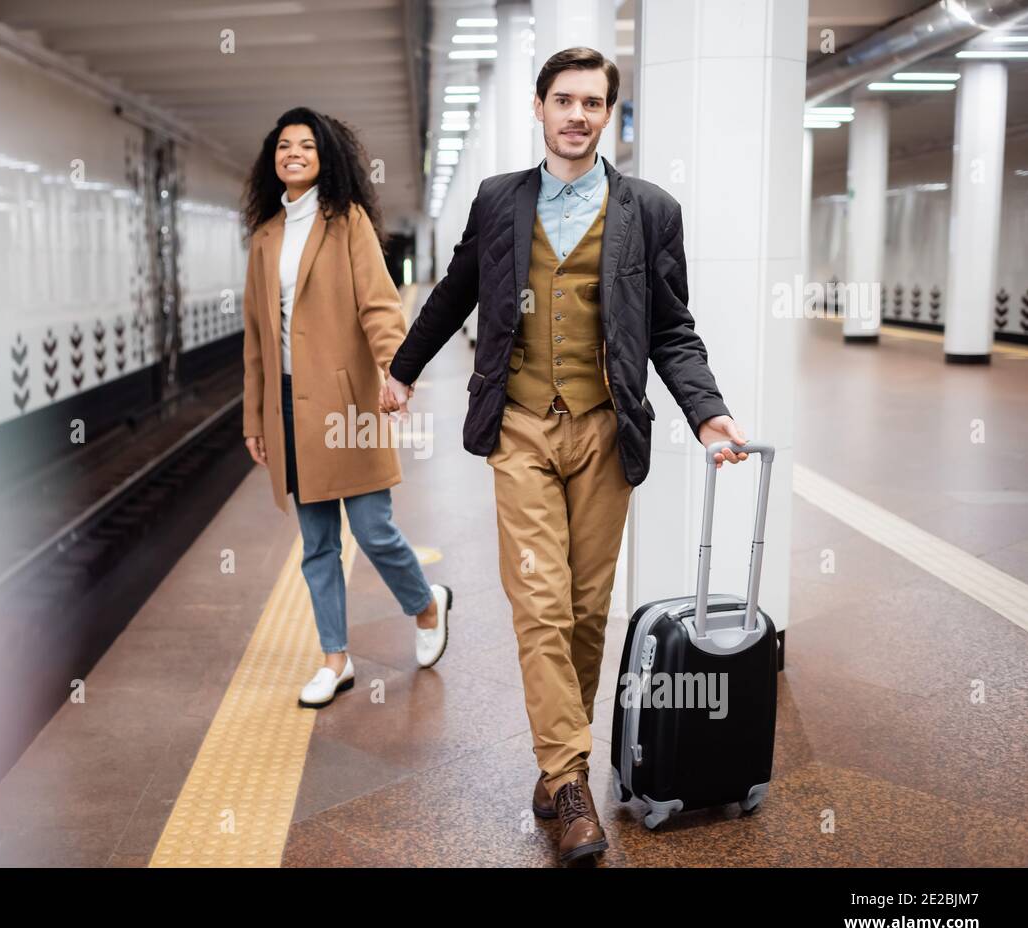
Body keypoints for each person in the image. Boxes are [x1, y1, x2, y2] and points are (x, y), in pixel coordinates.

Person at [380, 48, 750, 865]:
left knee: (587, 608)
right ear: (539, 108)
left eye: (593, 103)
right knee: (539, 600)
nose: (578, 115)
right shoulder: (498, 199)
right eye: (564, 100)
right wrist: (403, 369)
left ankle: (557, 770)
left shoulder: (650, 209)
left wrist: (709, 413)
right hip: (518, 425)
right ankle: (569, 778)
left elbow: (670, 327)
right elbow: (454, 293)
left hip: (605, 429)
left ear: (608, 114)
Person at [240, 107, 452, 708]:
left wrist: (397, 371)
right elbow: (257, 336)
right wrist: (254, 417)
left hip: (346, 403)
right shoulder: (265, 238)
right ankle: (335, 660)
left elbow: (380, 305)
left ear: (324, 156)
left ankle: (427, 603)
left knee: (373, 529)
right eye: (284, 146)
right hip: (287, 404)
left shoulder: (347, 221)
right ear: (272, 159)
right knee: (316, 544)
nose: (294, 154)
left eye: (306, 145)